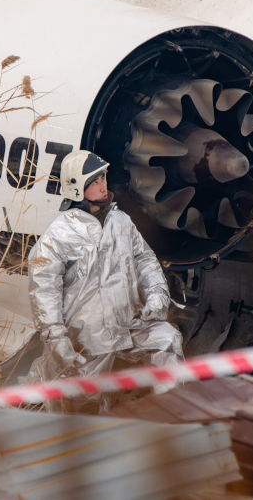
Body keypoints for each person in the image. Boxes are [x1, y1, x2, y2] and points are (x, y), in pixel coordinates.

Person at [21, 150, 184, 391]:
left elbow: (145, 259)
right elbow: (44, 291)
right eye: (94, 181)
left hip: (130, 326)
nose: (102, 186)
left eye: (103, 178)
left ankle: (170, 416)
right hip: (86, 343)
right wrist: (57, 341)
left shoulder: (120, 221)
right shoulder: (57, 236)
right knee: (82, 404)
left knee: (167, 340)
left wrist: (157, 293)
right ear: (76, 188)